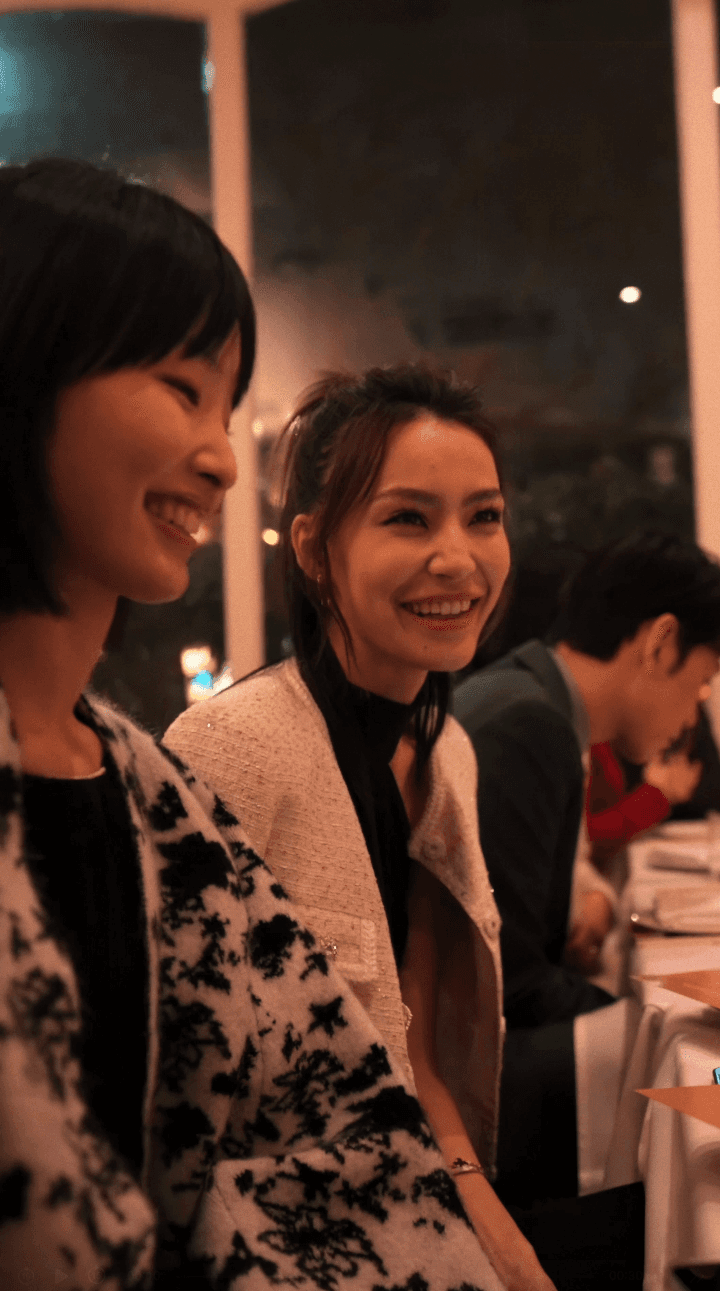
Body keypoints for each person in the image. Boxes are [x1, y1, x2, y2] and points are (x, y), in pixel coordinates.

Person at [0, 160, 508, 1291]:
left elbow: (324, 1111)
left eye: (224, 406)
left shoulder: (139, 790)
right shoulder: (219, 757)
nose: (222, 455)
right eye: (181, 388)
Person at [166, 366, 645, 1291]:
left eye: (485, 516)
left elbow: (413, 1039)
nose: (460, 558)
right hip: (291, 1233)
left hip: (413, 1182)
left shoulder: (446, 751)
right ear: (313, 548)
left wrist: (475, 1200)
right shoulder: (233, 752)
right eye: (408, 518)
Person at [453, 531, 720, 1205]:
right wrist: (654, 1020)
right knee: (690, 1081)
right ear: (661, 642)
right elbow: (508, 986)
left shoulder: (532, 698)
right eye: (702, 683)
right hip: (468, 1090)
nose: (696, 710)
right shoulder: (528, 724)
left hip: (472, 1048)